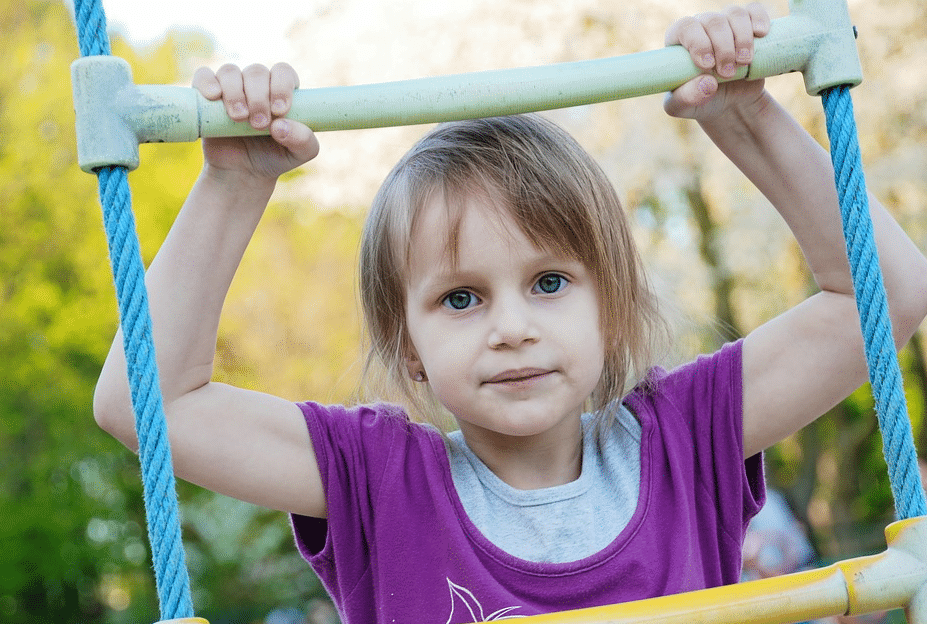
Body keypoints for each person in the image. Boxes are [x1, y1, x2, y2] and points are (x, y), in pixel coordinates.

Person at [93, 3, 927, 623]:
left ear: (614, 308)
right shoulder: (379, 479)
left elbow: (887, 294)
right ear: (409, 348)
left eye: (550, 282)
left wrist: (744, 116)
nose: (511, 326)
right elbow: (145, 406)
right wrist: (234, 186)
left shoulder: (685, 438)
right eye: (460, 298)